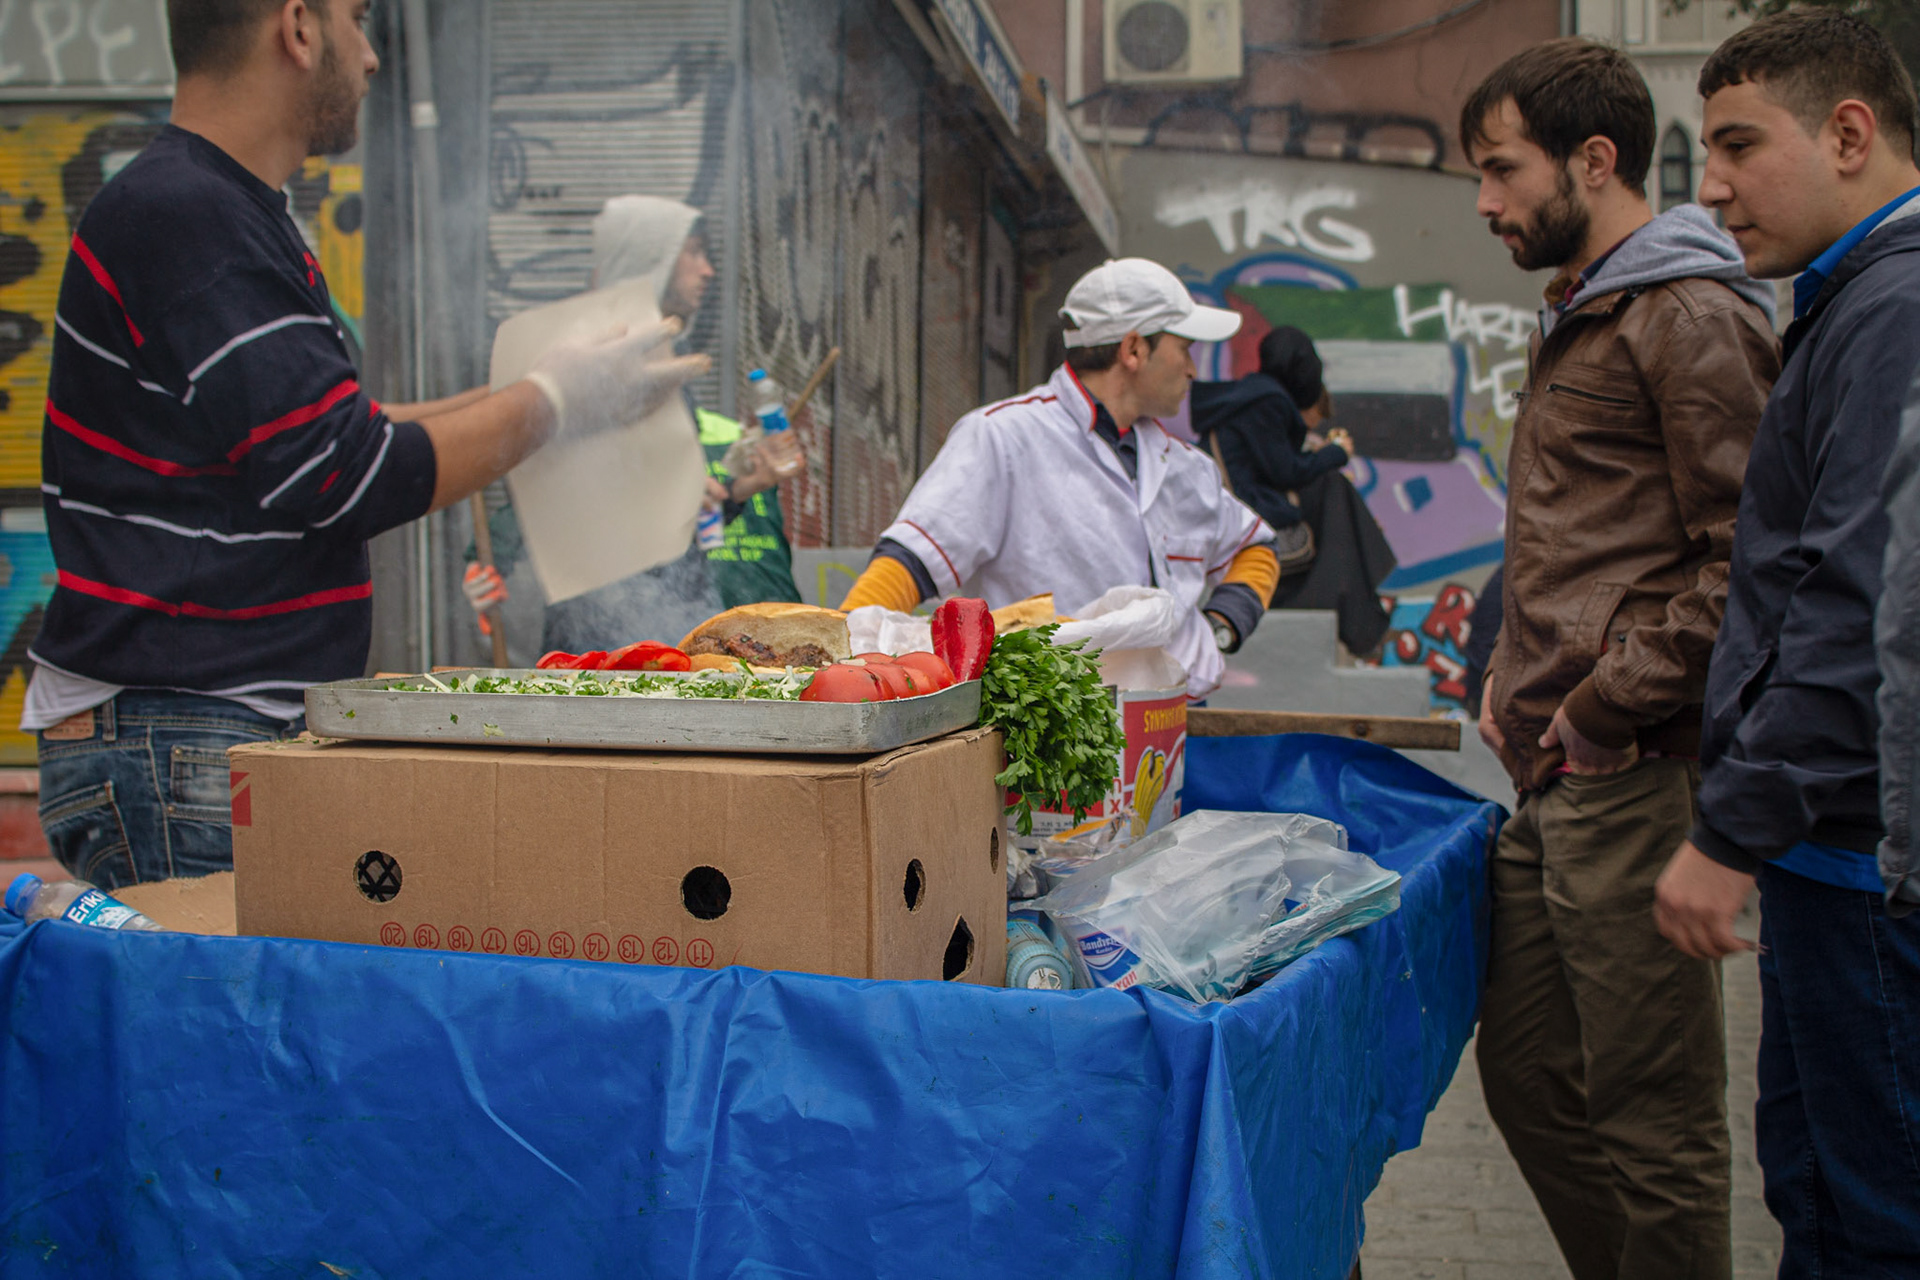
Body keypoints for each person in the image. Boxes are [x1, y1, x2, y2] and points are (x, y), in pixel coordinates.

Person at [24, 0, 702, 887]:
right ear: (299, 28)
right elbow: (346, 471)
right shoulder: (189, 213)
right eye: (358, 18)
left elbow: (342, 432)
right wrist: (551, 402)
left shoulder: (217, 209)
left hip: (199, 736)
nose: (374, 55)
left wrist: (557, 391)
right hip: (182, 737)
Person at [1461, 38, 1781, 1280]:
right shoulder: (1588, 307)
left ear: (1593, 161)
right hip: (1555, 776)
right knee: (1531, 1078)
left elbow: (1752, 557)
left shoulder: (1688, 313)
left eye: (1502, 168)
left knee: (1655, 1123)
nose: (1484, 201)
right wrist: (1509, 663)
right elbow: (1578, 540)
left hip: (1635, 771)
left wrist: (1605, 699)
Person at [1651, 11, 1920, 1272]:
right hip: (1835, 858)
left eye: (1739, 146)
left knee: (1877, 1223)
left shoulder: (1896, 308)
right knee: (1821, 1197)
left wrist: (1731, 831)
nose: (1711, 187)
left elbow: (1863, 601)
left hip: (1868, 864)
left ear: (1850, 134)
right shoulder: (1856, 298)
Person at [836, 258, 1279, 698]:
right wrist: (841, 656)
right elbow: (911, 560)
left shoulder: (1189, 468)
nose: (1192, 369)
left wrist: (1222, 628)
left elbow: (1256, 546)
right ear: (1133, 350)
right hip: (1052, 719)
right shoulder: (1004, 437)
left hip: (1176, 719)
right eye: (1184, 349)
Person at [462, 196, 800, 651]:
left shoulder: (663, 360)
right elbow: (549, 485)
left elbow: (660, 514)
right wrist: (487, 560)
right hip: (597, 627)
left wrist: (738, 489)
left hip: (674, 614)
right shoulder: (596, 358)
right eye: (693, 252)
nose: (708, 270)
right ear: (651, 258)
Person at [1189, 326, 1396, 656]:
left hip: (1239, 505)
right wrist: (1336, 453)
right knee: (1333, 490)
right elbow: (1286, 471)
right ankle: (1363, 623)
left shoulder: (1252, 395)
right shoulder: (1267, 401)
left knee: (1333, 500)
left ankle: (1363, 619)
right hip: (1249, 512)